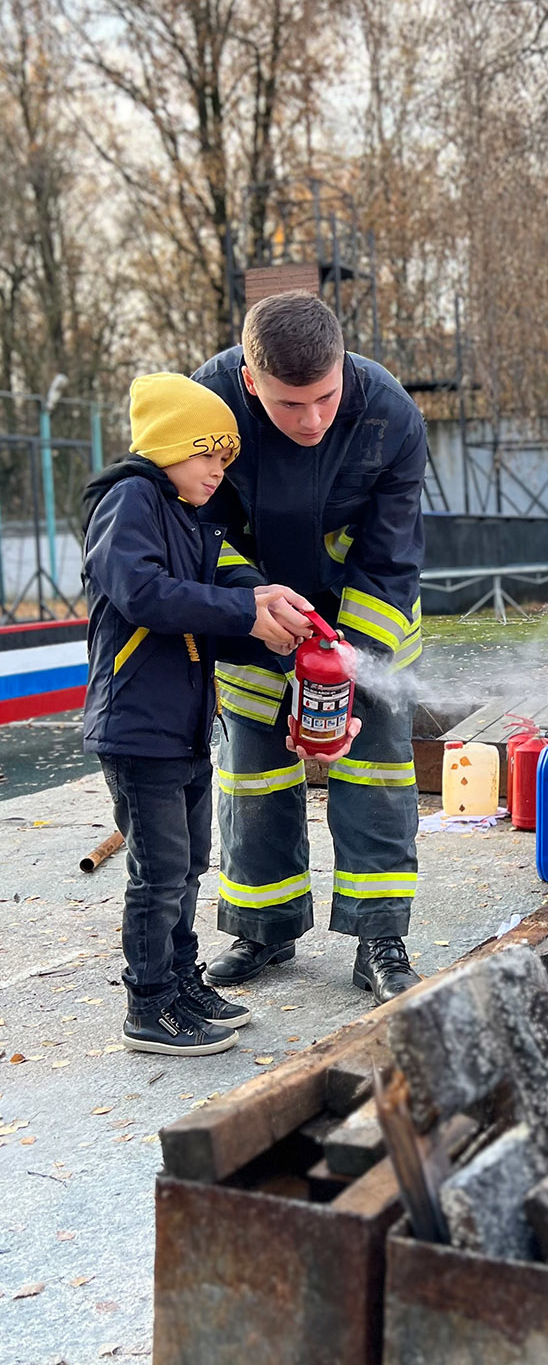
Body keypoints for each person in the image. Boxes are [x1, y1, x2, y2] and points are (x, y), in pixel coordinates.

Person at [194, 291, 427, 1004]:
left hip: (361, 621)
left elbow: (389, 562)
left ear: (342, 365)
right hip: (257, 616)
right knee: (253, 775)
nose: (313, 419)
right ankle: (264, 927)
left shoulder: (391, 416)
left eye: (325, 397)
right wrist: (252, 605)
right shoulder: (204, 409)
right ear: (249, 381)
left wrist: (340, 676)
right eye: (290, 405)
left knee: (377, 771)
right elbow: (196, 533)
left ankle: (380, 936)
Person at [82, 373, 312, 1055]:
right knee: (157, 874)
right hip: (136, 729)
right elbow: (145, 594)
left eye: (225, 455)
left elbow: (210, 595)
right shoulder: (129, 500)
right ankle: (148, 1007)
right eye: (207, 452)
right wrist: (244, 610)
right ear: (166, 445)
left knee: (185, 867)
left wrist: (262, 608)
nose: (219, 468)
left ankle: (182, 983)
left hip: (181, 728)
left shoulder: (187, 516)